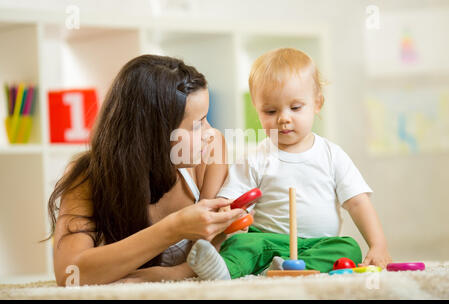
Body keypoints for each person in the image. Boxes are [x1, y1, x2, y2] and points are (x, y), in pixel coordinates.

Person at [187, 48, 392, 280]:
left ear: (317, 104)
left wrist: (378, 244)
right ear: (257, 109)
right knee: (242, 243)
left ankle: (288, 269)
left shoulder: (332, 155)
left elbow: (357, 203)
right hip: (267, 240)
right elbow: (231, 199)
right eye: (271, 111)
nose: (284, 118)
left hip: (318, 243)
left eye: (295, 108)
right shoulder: (254, 158)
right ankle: (223, 270)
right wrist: (227, 208)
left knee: (348, 248)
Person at [43, 54, 246, 286]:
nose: (209, 133)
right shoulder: (88, 176)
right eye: (197, 125)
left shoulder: (211, 150)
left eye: (206, 118)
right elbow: (70, 274)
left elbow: (216, 244)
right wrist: (174, 228)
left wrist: (173, 274)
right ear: (155, 135)